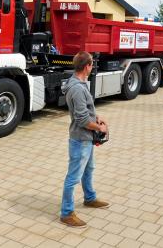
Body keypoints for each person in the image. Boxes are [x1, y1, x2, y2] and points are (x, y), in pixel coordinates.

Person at [59, 51, 110, 228]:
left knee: (89, 169)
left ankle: (89, 198)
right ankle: (66, 213)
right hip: (80, 140)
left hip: (85, 139)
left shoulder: (80, 83)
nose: (93, 67)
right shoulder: (77, 89)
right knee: (73, 177)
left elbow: (86, 111)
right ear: (87, 66)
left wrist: (96, 117)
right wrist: (100, 128)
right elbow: (81, 119)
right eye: (92, 64)